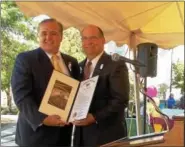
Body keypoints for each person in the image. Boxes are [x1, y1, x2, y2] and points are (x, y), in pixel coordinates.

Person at [11, 18, 80, 146]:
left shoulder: (72, 62)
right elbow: (21, 96)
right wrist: (43, 119)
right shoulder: (25, 59)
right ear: (38, 36)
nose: (48, 37)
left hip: (63, 134)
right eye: (44, 33)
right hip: (35, 135)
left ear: (61, 37)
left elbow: (76, 92)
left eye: (53, 33)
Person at [73, 25, 130, 146]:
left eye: (93, 37)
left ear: (103, 40)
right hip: (81, 137)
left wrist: (94, 117)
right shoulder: (78, 67)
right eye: (85, 38)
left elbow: (121, 100)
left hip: (108, 136)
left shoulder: (116, 64)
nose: (88, 42)